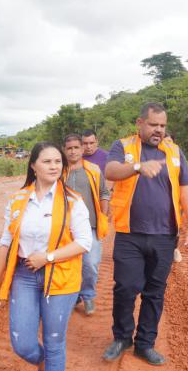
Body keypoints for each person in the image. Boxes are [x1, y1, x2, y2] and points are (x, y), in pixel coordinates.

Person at [102, 102, 188, 366]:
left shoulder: (174, 151)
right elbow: (109, 171)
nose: (159, 130)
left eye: (163, 125)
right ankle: (122, 338)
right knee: (125, 288)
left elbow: (186, 189)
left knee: (155, 292)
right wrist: (136, 168)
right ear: (140, 123)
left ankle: (145, 344)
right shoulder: (123, 146)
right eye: (154, 124)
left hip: (165, 235)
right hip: (129, 233)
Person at [0, 141, 93, 371]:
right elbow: (5, 242)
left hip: (61, 276)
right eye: (47, 161)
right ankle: (44, 362)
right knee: (22, 344)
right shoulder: (18, 200)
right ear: (33, 165)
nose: (54, 166)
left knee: (54, 342)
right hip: (24, 275)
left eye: (57, 161)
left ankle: (53, 363)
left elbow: (84, 242)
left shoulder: (72, 201)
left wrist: (48, 257)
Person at [62, 134, 110, 316]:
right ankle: (73, 296)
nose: (73, 151)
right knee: (68, 263)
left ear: (82, 149)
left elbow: (104, 192)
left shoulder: (94, 170)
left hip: (90, 225)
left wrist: (103, 216)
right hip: (65, 228)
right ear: (64, 150)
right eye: (69, 148)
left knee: (90, 263)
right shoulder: (59, 171)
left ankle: (88, 295)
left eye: (76, 147)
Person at [164, 132, 183, 263]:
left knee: (175, 226)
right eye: (165, 141)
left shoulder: (178, 157)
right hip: (161, 200)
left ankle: (175, 249)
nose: (168, 144)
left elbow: (185, 181)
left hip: (176, 199)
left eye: (170, 141)